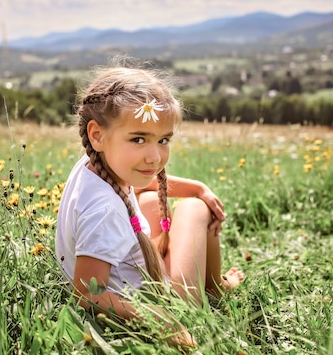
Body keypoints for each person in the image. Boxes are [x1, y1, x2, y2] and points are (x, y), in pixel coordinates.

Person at [55, 61, 244, 347]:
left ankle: (203, 279)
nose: (154, 157)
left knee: (153, 201)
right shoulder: (104, 210)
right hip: (163, 303)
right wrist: (155, 319)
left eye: (163, 140)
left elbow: (145, 181)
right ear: (97, 135)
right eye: (139, 139)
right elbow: (87, 293)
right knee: (194, 209)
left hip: (139, 280)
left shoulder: (94, 165)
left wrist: (198, 187)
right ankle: (215, 287)